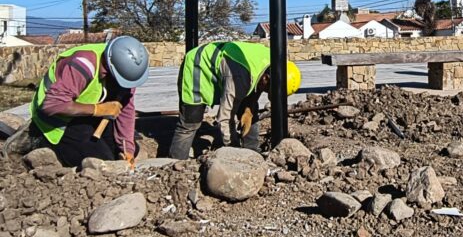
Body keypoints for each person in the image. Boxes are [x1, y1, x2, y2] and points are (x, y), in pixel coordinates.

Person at [28, 36, 150, 167]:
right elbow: (52, 105)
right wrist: (98, 109)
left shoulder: (125, 71)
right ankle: (40, 142)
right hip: (59, 121)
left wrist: (127, 150)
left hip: (88, 116)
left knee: (124, 151)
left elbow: (126, 110)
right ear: (109, 66)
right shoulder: (82, 64)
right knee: (102, 160)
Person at [168, 41, 301, 159]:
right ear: (266, 78)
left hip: (234, 71)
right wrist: (234, 152)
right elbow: (225, 118)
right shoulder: (240, 76)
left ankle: (253, 152)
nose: (265, 92)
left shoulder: (276, 64)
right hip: (198, 66)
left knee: (250, 113)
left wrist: (249, 109)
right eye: (267, 90)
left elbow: (257, 86)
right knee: (190, 123)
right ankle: (176, 164)